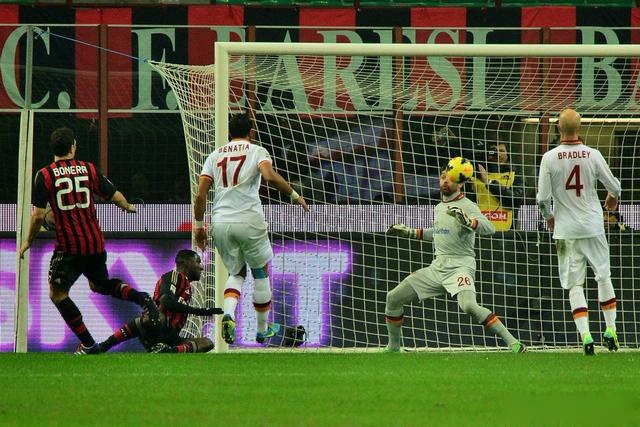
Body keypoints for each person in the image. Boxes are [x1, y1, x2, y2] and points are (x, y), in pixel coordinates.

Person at [18, 127, 159, 355]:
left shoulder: (44, 175)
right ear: (73, 146)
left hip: (69, 247)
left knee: (57, 294)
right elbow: (114, 195)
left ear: (53, 149)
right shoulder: (88, 169)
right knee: (99, 285)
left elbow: (37, 215)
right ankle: (142, 298)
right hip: (95, 243)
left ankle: (89, 344)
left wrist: (28, 241)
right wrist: (129, 207)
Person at [194, 113, 309, 345]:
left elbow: (201, 195)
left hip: (221, 222)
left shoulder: (214, 156)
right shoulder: (257, 151)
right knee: (260, 272)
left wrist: (198, 226)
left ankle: (228, 314)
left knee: (236, 274)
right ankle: (262, 330)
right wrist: (295, 195)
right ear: (251, 132)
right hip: (249, 219)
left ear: (229, 133)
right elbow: (269, 176)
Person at [384, 165, 526, 353]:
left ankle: (513, 343)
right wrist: (408, 232)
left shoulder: (468, 205)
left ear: (459, 184)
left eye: (450, 178)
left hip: (460, 266)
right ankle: (393, 348)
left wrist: (468, 222)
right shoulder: (439, 207)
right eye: (443, 177)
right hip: (437, 267)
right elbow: (438, 233)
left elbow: (490, 228)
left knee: (469, 306)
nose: (445, 181)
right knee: (393, 298)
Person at [537, 108, 621, 355]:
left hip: (566, 231)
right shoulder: (593, 154)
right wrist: (612, 197)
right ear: (580, 127)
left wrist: (549, 218)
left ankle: (586, 336)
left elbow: (542, 198)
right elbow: (615, 185)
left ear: (558, 128)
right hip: (593, 226)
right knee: (603, 277)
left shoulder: (549, 158)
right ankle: (611, 329)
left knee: (575, 285)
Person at [99, 249, 223, 353]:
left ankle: (167, 350)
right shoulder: (176, 276)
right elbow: (165, 301)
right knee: (154, 317)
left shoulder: (186, 285)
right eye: (198, 262)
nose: (201, 267)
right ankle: (104, 345)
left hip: (170, 336)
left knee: (207, 343)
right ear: (187, 263)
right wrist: (200, 311)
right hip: (157, 328)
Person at [471, 142, 526, 231]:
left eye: (502, 150)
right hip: (478, 230)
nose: (498, 154)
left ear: (508, 154)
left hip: (506, 232)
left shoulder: (516, 175)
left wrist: (489, 182)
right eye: (494, 150)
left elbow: (515, 201)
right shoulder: (474, 175)